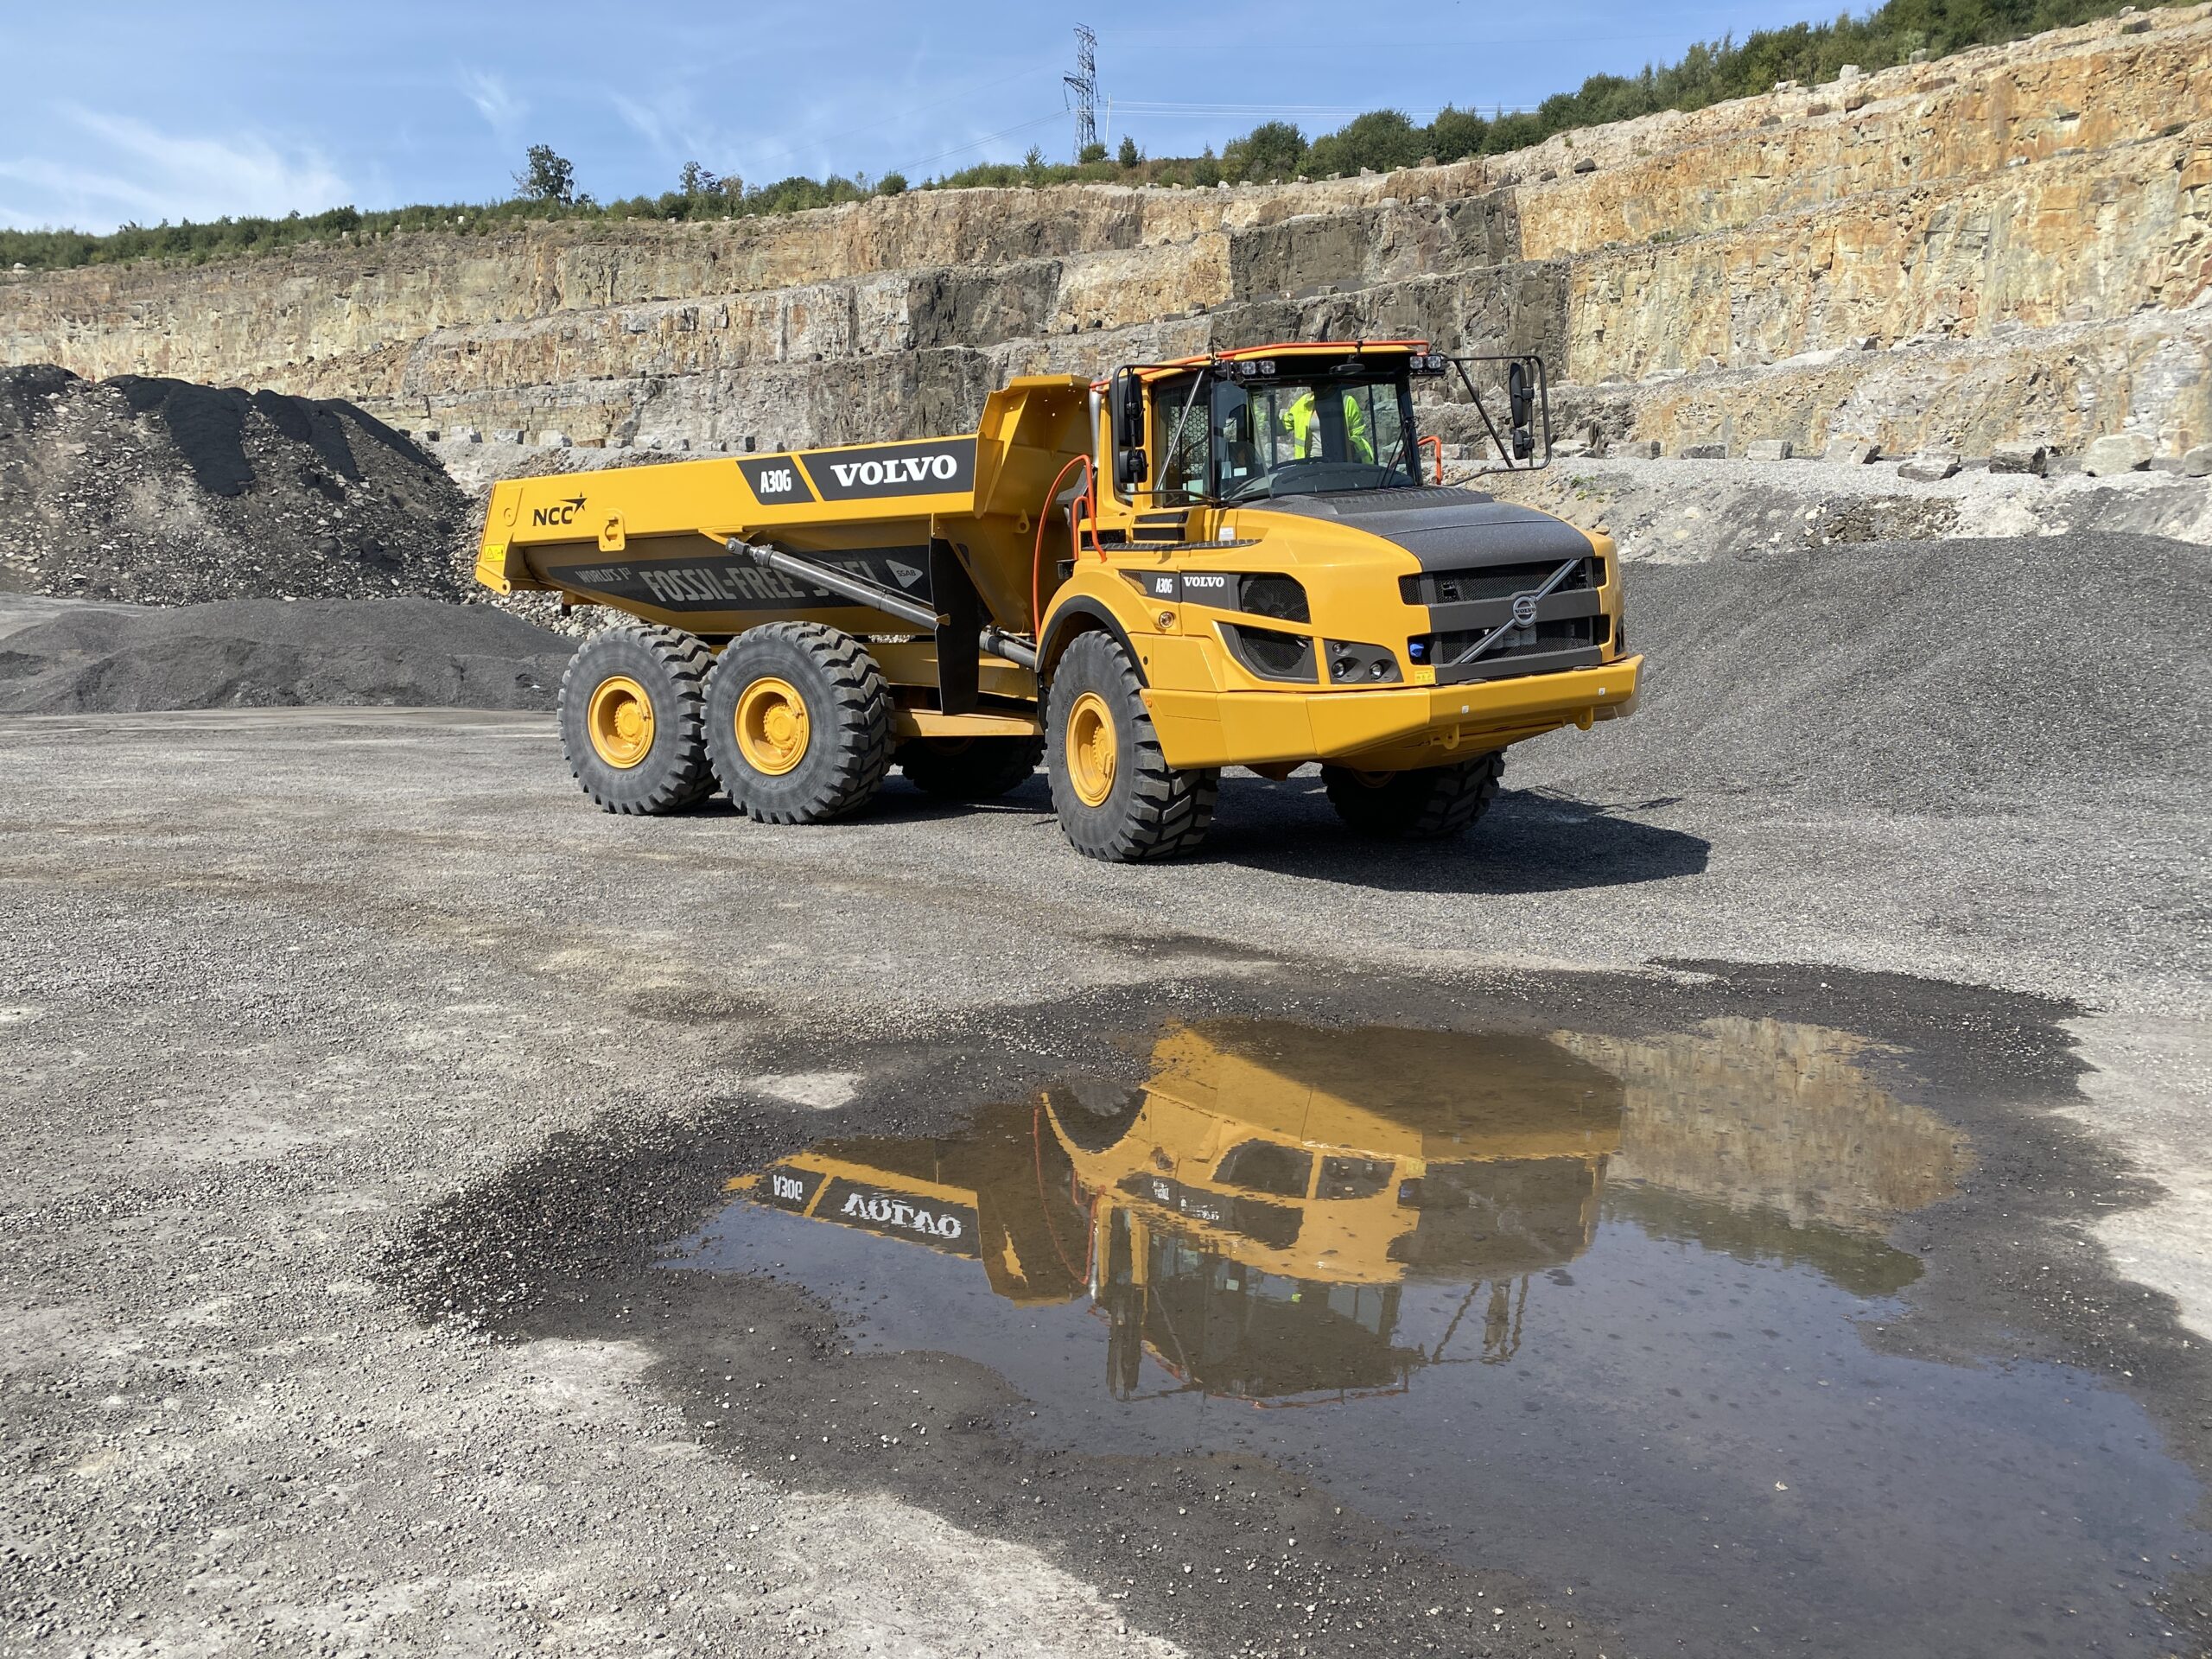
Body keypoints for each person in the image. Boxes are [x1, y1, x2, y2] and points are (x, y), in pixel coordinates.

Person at [1280, 386, 1374, 464]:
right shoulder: (1304, 403)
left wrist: (1350, 444)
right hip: (1310, 464)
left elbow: (1359, 435)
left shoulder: (1347, 402)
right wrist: (1270, 414)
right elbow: (1283, 426)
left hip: (1340, 462)